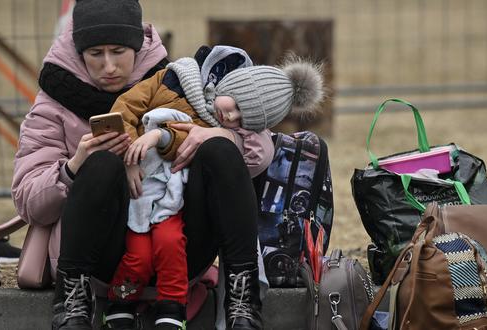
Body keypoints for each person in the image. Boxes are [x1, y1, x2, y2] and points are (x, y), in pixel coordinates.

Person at [10, 1, 273, 330]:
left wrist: (216, 133)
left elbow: (261, 151)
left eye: (118, 51)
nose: (109, 66)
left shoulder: (177, 81)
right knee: (102, 163)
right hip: (101, 259)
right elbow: (28, 202)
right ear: (78, 53)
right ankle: (71, 301)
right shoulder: (52, 103)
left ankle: (242, 297)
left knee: (219, 148)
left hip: (180, 243)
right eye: (96, 54)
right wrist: (74, 167)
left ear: (137, 46)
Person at [104, 48, 324, 330]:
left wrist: (224, 134)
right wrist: (130, 154)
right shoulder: (178, 79)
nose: (231, 116)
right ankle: (120, 301)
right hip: (140, 189)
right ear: (231, 85)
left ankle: (180, 305)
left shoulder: (223, 125)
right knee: (140, 254)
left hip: (177, 207)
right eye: (235, 105)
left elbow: (258, 155)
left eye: (244, 119)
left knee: (170, 243)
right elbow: (134, 111)